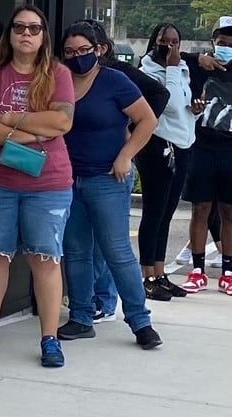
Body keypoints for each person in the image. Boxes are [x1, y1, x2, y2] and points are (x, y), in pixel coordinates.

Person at [0, 4, 75, 366]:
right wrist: (29, 133)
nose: (26, 34)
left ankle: (50, 339)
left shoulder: (58, 73)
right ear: (9, 34)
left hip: (49, 183)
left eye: (34, 29)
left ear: (44, 37)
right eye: (20, 28)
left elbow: (63, 122)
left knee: (45, 258)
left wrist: (11, 119)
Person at [56, 23, 163, 348]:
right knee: (75, 251)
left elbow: (148, 120)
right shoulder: (59, 81)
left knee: (116, 251)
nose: (77, 58)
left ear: (99, 50)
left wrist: (126, 155)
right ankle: (81, 316)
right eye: (70, 52)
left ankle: (140, 322)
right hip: (67, 179)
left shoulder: (115, 81)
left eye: (83, 51)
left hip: (108, 178)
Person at [182, 16, 232, 294]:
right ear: (213, 41)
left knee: (230, 211)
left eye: (231, 43)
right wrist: (197, 59)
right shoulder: (198, 69)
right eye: (221, 42)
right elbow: (164, 56)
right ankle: (197, 269)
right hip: (202, 148)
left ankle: (228, 271)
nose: (226, 47)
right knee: (200, 209)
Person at [136, 22, 195, 301]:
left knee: (168, 214)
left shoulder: (181, 69)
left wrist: (196, 108)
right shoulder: (147, 72)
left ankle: (160, 273)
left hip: (182, 144)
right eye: (165, 41)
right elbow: (168, 103)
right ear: (155, 42)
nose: (171, 46)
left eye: (175, 41)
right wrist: (172, 67)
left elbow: (182, 106)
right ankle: (147, 275)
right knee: (154, 212)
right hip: (158, 145)